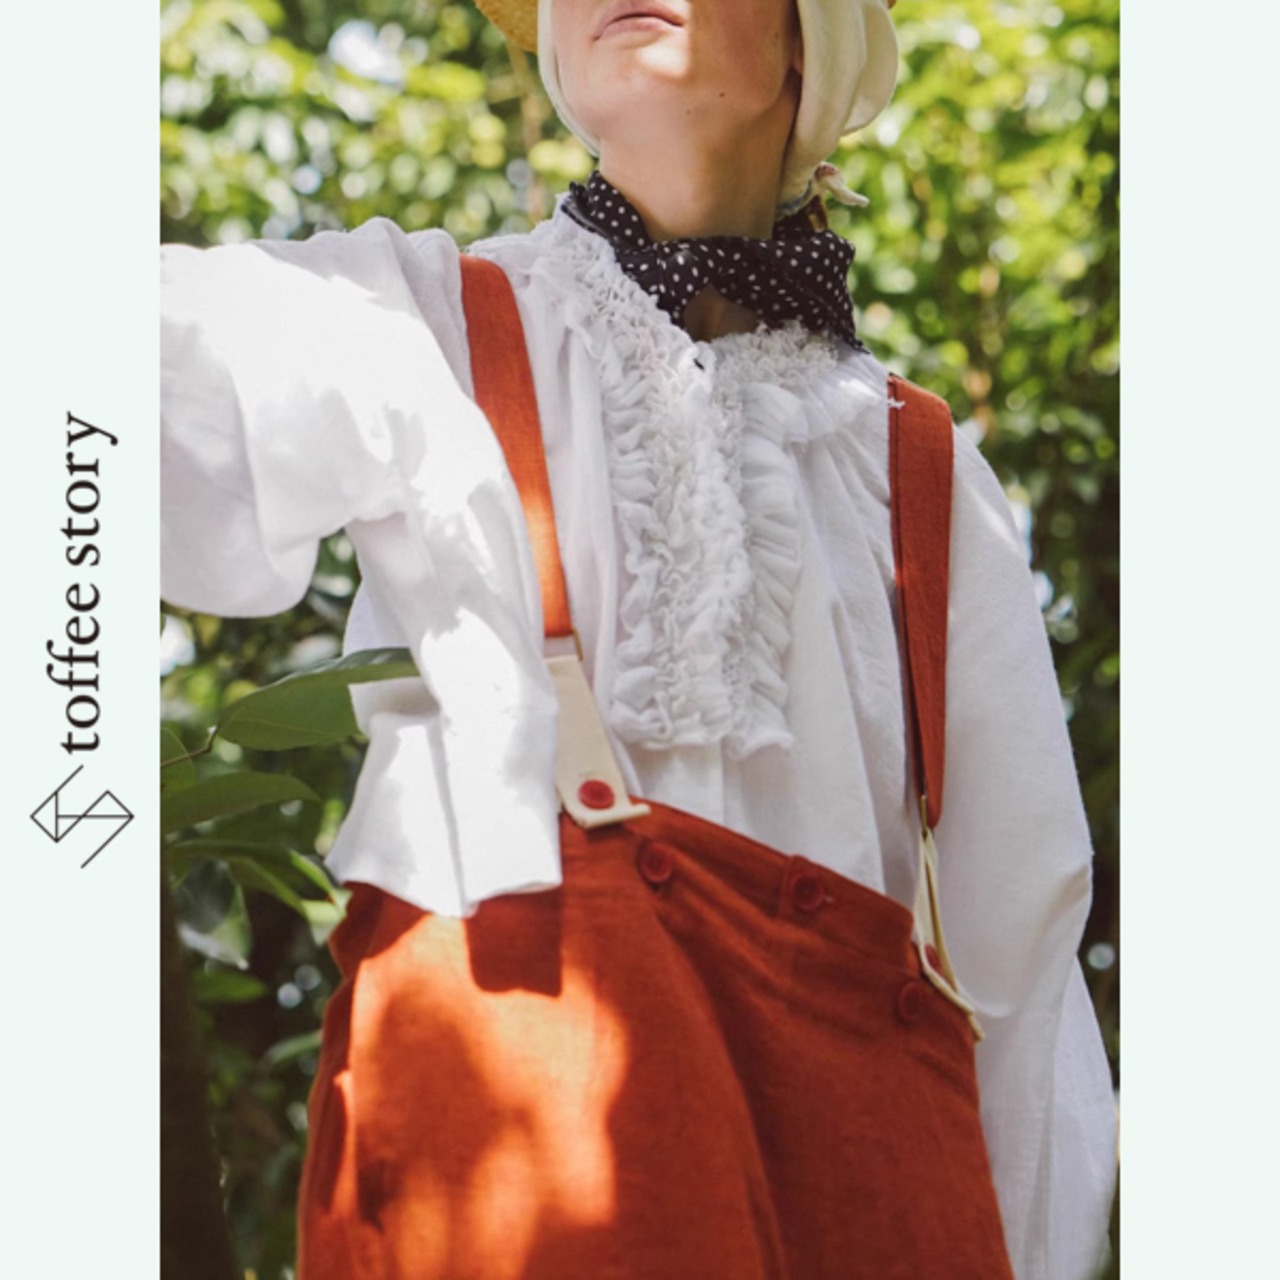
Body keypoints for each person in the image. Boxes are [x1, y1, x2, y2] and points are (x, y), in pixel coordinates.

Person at [161, 0, 1117, 1276]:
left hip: (858, 1200)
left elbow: (1019, 965)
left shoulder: (924, 477)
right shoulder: (418, 325)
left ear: (809, 40)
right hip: (512, 1139)